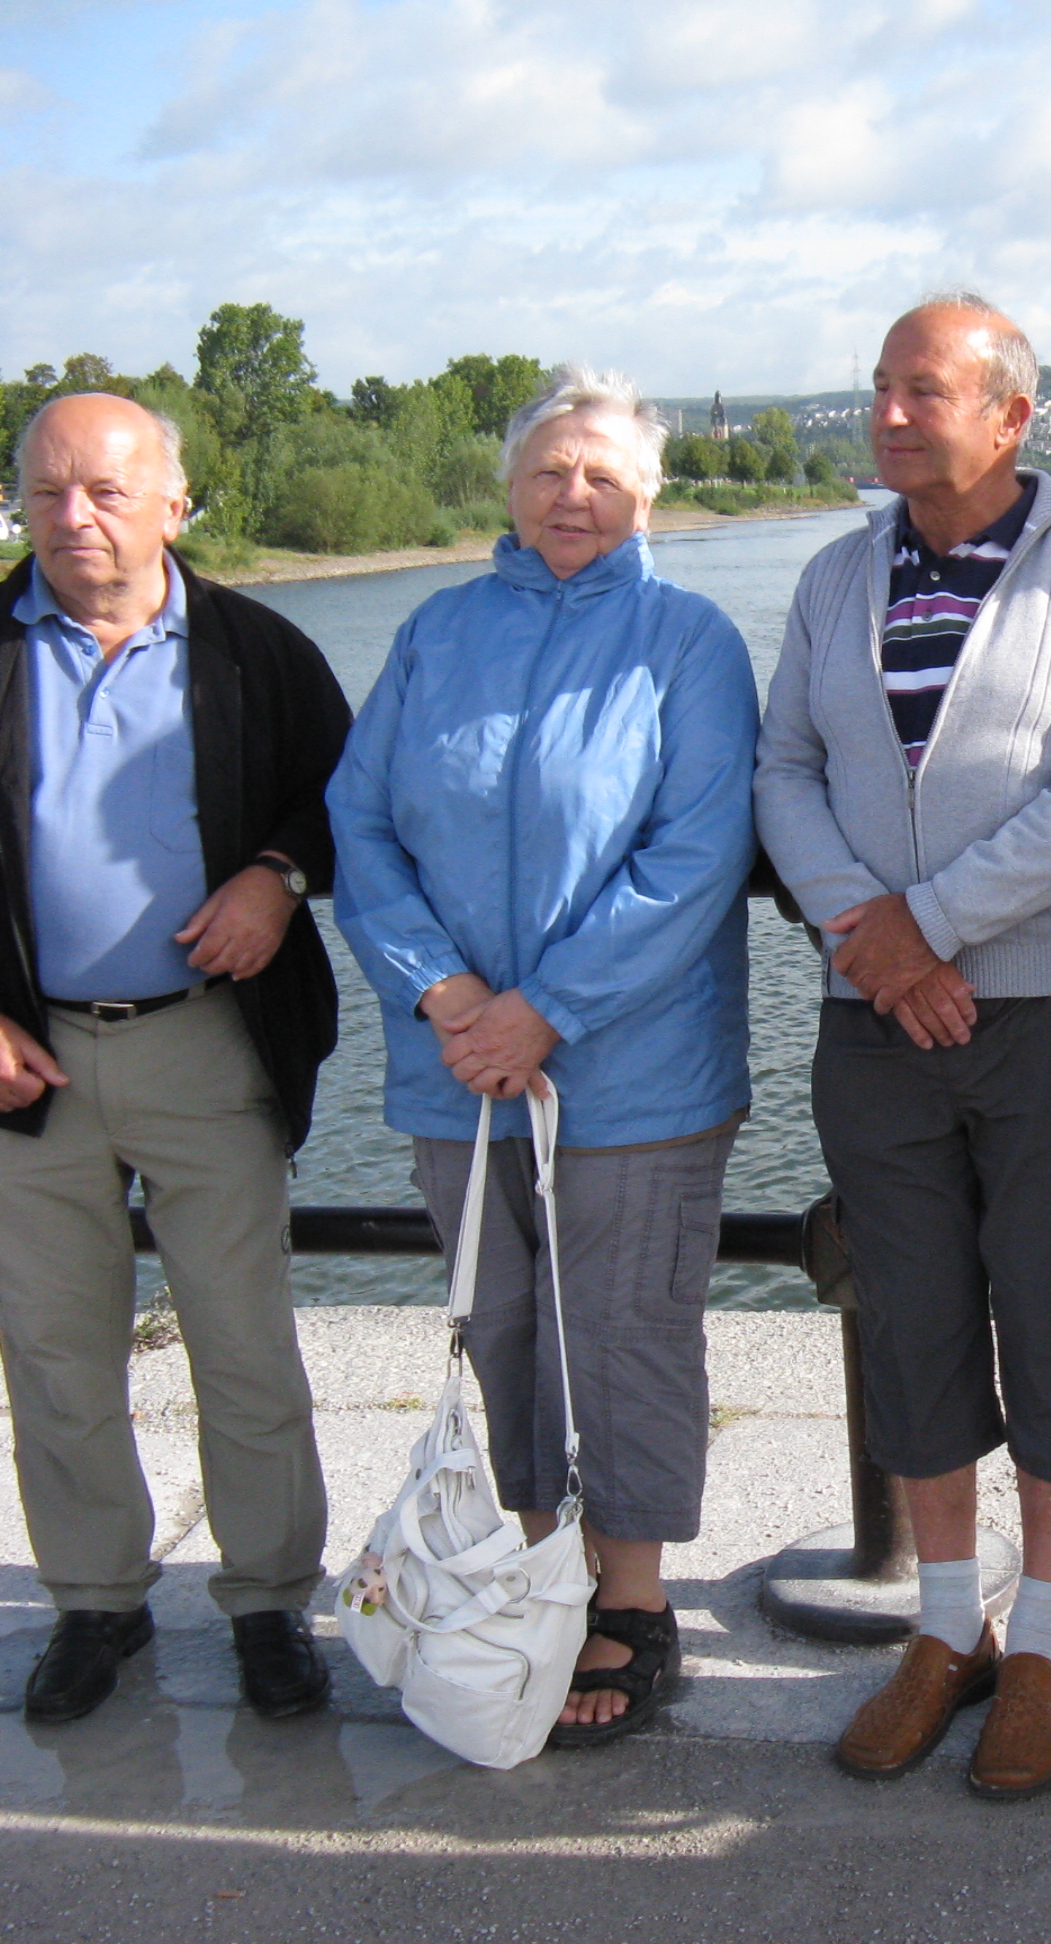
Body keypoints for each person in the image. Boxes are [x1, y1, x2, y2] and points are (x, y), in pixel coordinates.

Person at [757, 293, 1051, 1800]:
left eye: (923, 390)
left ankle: (1044, 1639)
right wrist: (863, 934)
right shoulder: (836, 575)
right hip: (873, 1013)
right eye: (880, 386)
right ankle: (947, 1631)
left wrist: (927, 923)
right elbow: (784, 769)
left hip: (1047, 1012)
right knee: (910, 1310)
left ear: (1009, 416)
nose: (888, 413)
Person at [328, 366, 758, 1749]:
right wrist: (445, 993)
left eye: (603, 474)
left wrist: (547, 1009)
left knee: (625, 1333)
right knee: (504, 1325)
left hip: (633, 1070)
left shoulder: (688, 642)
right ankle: (536, 1565)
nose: (574, 494)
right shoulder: (435, 632)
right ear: (509, 488)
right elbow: (359, 824)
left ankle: (631, 1598)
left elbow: (696, 855)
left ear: (649, 493)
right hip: (457, 1067)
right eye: (549, 470)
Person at [0, 392, 349, 1724]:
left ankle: (269, 1603)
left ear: (174, 504)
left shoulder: (256, 650)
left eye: (104, 490)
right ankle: (96, 1602)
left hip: (207, 1042)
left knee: (244, 1340)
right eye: (45, 492)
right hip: (27, 1062)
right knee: (55, 1353)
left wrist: (278, 873)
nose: (72, 517)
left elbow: (348, 794)